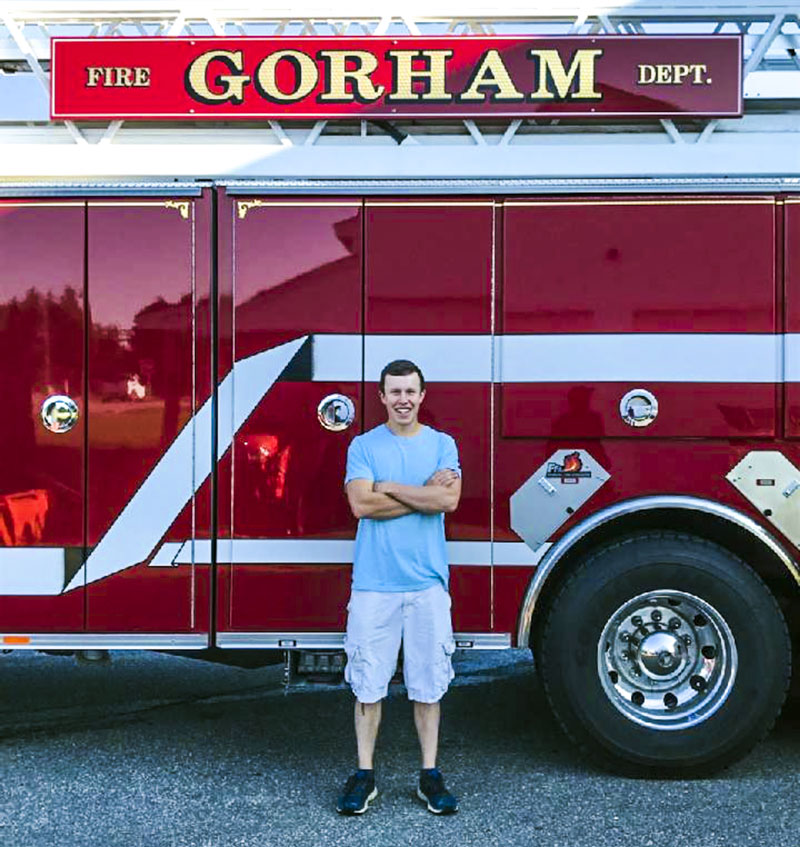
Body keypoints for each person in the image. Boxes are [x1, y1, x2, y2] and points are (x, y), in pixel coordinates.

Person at [336, 359, 462, 816]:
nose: (403, 399)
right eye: (395, 392)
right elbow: (360, 505)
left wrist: (389, 488)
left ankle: (429, 776)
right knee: (368, 685)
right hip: (374, 586)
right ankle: (364, 775)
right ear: (382, 397)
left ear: (422, 395)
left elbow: (447, 499)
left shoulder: (442, 444)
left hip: (427, 585)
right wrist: (418, 493)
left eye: (411, 391)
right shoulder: (363, 446)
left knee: (428, 686)